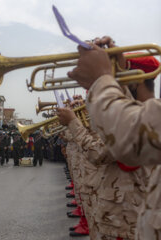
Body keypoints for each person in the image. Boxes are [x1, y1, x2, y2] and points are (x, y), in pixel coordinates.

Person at [68, 36, 161, 239]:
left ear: (134, 80)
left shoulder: (146, 118)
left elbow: (102, 151)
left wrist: (102, 78)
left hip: (123, 214)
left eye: (122, 77)